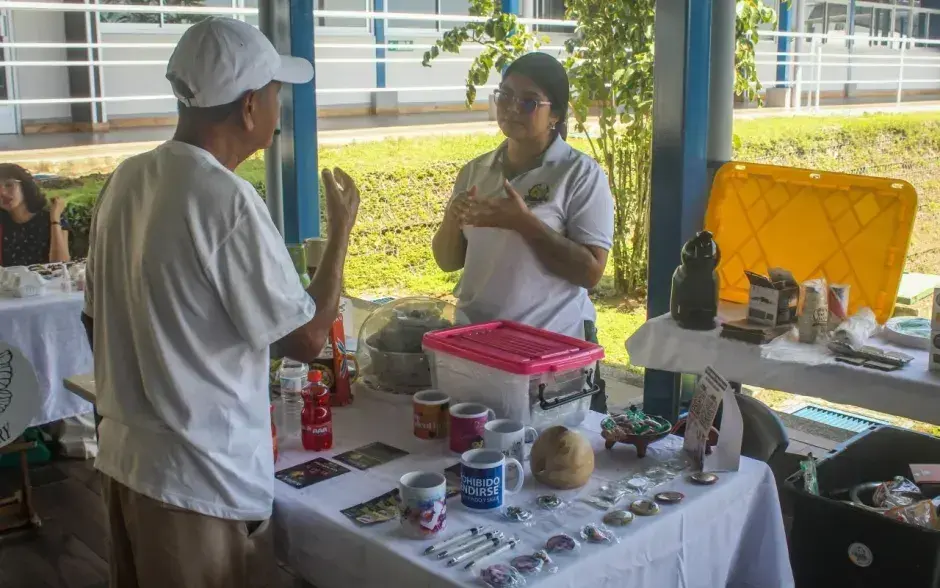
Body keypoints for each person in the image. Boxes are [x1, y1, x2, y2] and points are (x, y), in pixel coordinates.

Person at [81, 18, 359, 588]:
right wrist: (338, 237)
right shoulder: (224, 200)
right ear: (250, 106)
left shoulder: (126, 180)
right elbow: (308, 340)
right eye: (278, 95)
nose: (280, 111)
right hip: (196, 486)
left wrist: (153, 378)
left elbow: (93, 318)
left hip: (126, 462)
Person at [431, 52, 614, 412]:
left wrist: (524, 222)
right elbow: (447, 261)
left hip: (549, 351)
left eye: (529, 101)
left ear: (556, 114)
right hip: (477, 342)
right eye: (505, 95)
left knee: (553, 455)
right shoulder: (475, 171)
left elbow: (591, 271)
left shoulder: (579, 174)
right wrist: (454, 218)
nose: (512, 108)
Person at [0, 163, 70, 267]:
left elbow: (60, 264)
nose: (2, 192)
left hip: (50, 282)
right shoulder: (3, 223)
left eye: (9, 185)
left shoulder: (51, 215)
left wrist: (54, 220)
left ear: (24, 186)